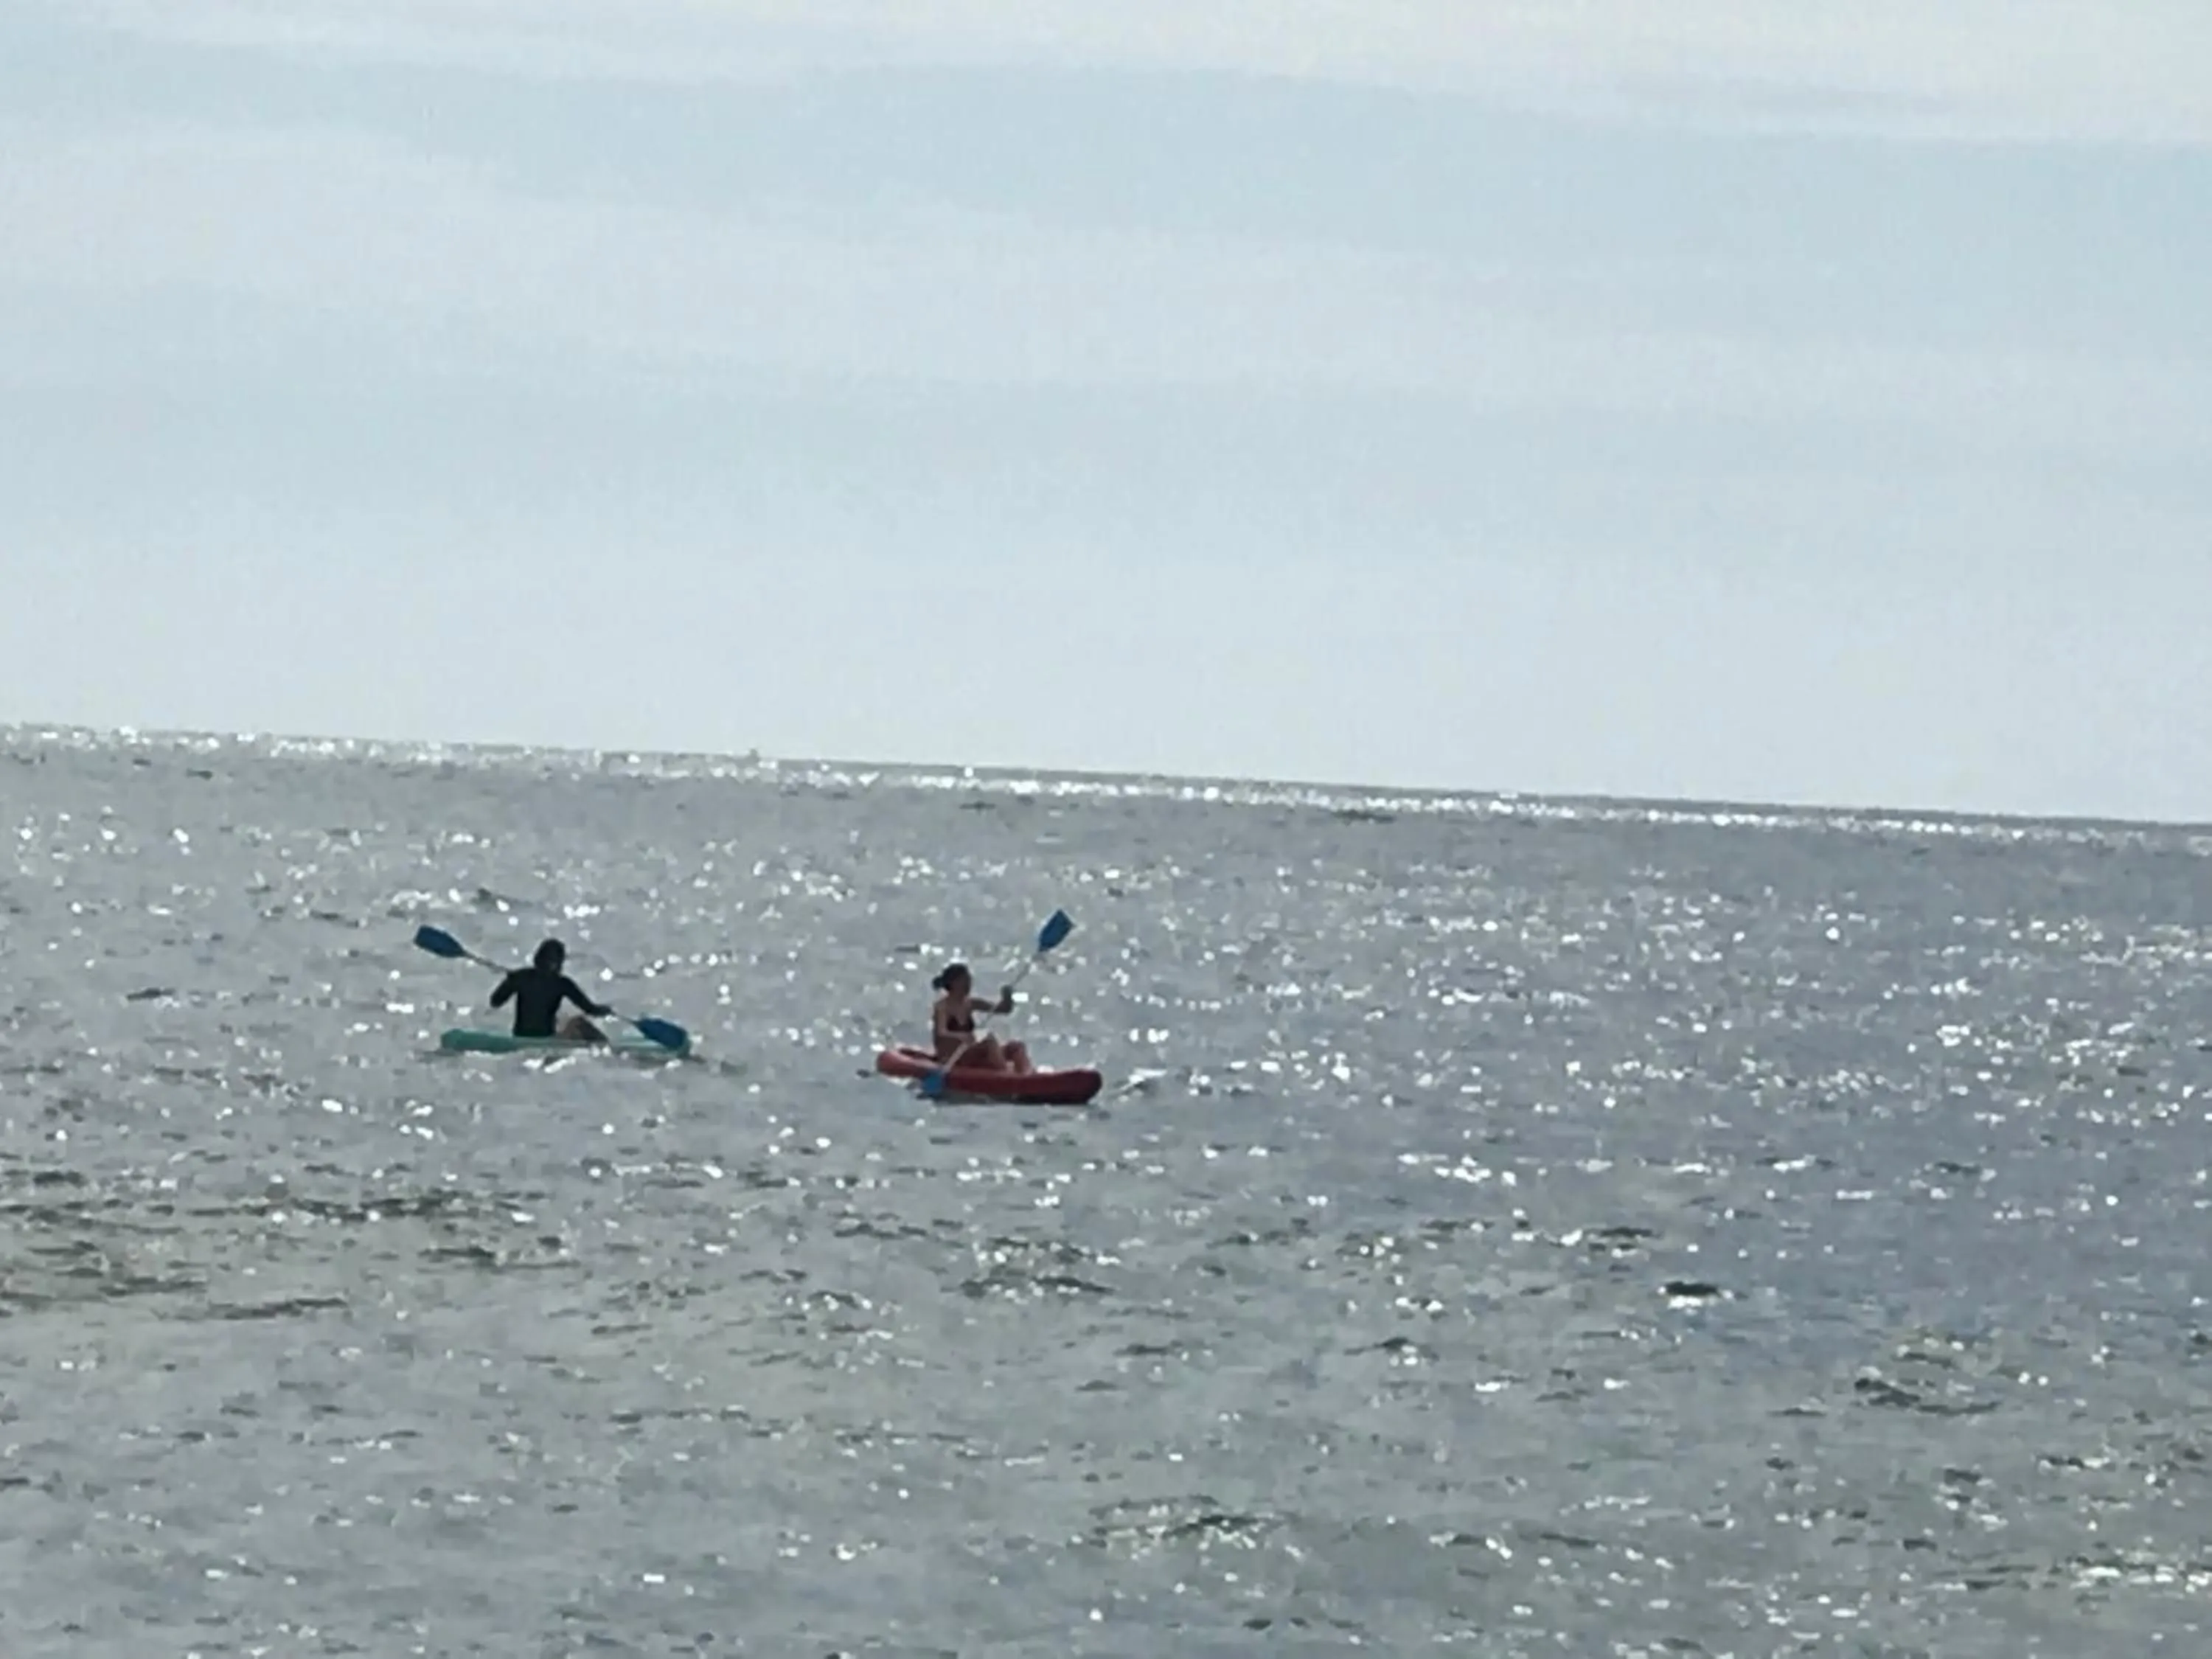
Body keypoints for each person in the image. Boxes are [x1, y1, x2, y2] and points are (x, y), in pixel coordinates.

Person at [490, 939, 612, 1042]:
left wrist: (509, 982)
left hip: (520, 1037)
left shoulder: (521, 977)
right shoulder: (562, 983)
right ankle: (611, 1048)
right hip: (546, 1039)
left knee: (562, 1020)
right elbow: (590, 1009)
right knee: (579, 1023)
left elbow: (495, 1002)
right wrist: (606, 1010)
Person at [931, 961, 1032, 1074]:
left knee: (1017, 1047)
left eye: (969, 981)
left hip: (969, 1053)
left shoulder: (970, 1003)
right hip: (951, 1057)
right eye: (965, 981)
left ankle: (1027, 1076)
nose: (969, 985)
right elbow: (941, 1033)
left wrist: (1008, 998)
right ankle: (1006, 1076)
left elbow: (1003, 1009)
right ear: (954, 983)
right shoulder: (942, 1007)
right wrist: (962, 1036)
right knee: (989, 1042)